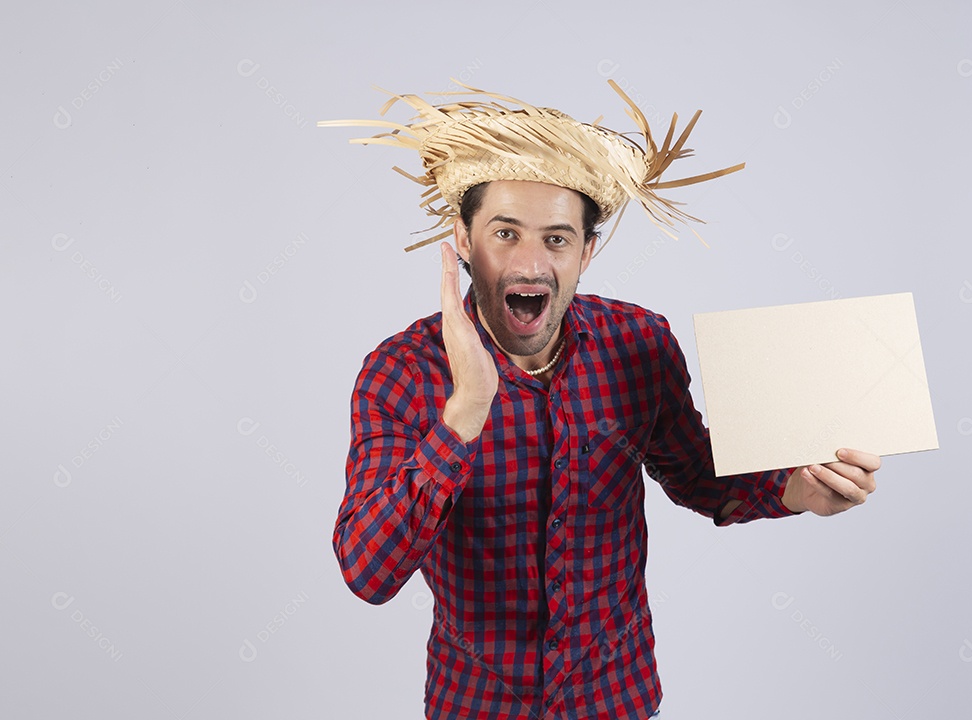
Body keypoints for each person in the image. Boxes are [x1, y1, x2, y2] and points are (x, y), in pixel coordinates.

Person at [319, 82, 880, 720]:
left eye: (556, 239)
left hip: (617, 699)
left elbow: (698, 477)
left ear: (588, 250)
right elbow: (367, 572)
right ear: (462, 238)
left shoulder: (638, 343)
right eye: (505, 232)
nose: (530, 262)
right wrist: (465, 411)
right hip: (476, 705)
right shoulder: (400, 371)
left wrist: (799, 491)